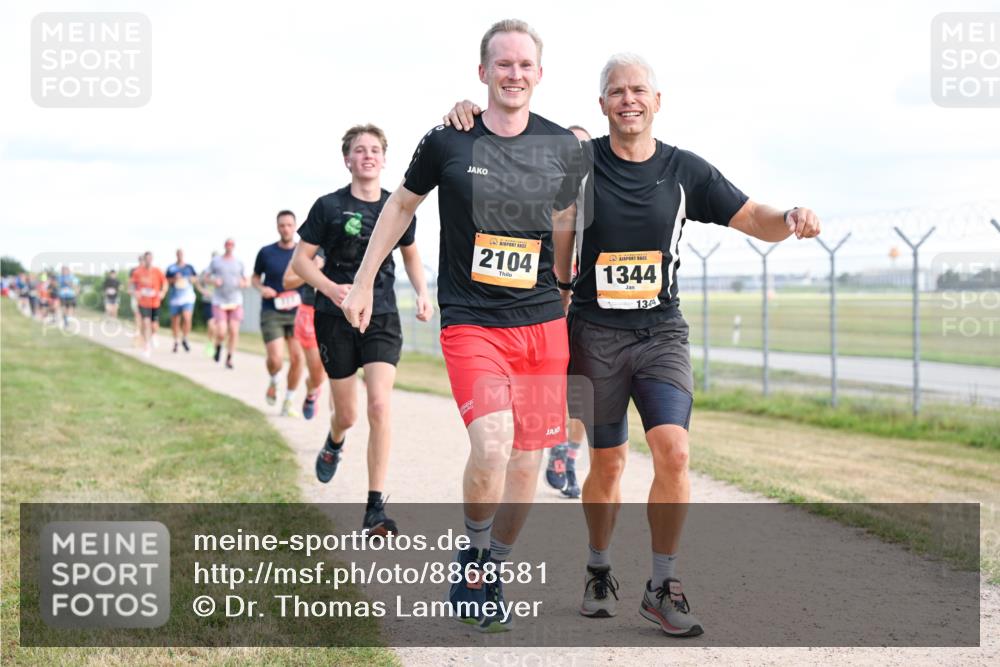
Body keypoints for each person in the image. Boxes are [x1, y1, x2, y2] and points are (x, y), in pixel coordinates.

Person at [444, 53, 822, 636]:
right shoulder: (578, 161)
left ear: (657, 101)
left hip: (661, 333)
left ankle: (662, 585)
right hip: (595, 333)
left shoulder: (684, 170)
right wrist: (469, 115)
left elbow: (752, 217)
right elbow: (512, 146)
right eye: (617, 91)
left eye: (639, 90)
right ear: (602, 104)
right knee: (610, 461)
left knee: (674, 452)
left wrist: (790, 215)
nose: (629, 100)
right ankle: (598, 569)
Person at [340, 20, 583, 633]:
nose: (513, 74)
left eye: (524, 65)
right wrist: (365, 281)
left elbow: (564, 222)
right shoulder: (449, 139)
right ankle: (474, 555)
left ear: (540, 74)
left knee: (526, 463)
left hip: (542, 324)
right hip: (472, 321)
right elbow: (400, 205)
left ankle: (489, 568)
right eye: (502, 64)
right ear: (482, 72)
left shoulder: (562, 146)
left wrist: (567, 290)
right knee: (493, 445)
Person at [291, 123, 432, 537]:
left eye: (374, 150)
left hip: (382, 314)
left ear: (384, 160)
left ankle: (375, 507)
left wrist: (423, 293)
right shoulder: (328, 206)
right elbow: (300, 262)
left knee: (379, 406)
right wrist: (331, 288)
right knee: (349, 415)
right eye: (359, 149)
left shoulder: (397, 206)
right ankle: (335, 440)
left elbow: (410, 255)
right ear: (347, 160)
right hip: (334, 317)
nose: (368, 155)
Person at [545, 124, 593, 500]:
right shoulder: (540, 193)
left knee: (580, 389)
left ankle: (569, 457)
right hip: (544, 301)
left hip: (584, 303)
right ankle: (553, 441)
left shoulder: (601, 196)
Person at [253, 211, 306, 417]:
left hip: (297, 312)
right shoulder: (266, 252)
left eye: (289, 225)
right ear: (277, 227)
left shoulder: (303, 253)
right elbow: (255, 278)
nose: (286, 229)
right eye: (282, 225)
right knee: (275, 359)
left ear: (295, 227)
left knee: (298, 358)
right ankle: (275, 380)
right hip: (272, 310)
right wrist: (261, 288)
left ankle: (289, 401)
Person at [282, 248, 327, 420]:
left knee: (330, 370)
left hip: (340, 310)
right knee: (317, 373)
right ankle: (312, 390)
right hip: (310, 311)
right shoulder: (309, 247)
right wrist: (310, 271)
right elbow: (287, 282)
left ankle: (338, 428)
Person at [208, 239, 247, 369]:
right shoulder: (216, 261)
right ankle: (218, 346)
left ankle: (229, 358)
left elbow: (247, 281)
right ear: (224, 246)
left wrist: (243, 283)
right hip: (220, 301)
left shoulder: (239, 262)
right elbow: (206, 277)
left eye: (231, 245)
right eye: (227, 244)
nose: (229, 247)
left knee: (234, 331)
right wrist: (214, 281)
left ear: (234, 247)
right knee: (221, 331)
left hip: (235, 301)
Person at [130, 251, 168, 358]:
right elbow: (132, 285)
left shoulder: (157, 271)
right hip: (143, 302)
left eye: (150, 259)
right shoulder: (137, 272)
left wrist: (163, 292)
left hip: (155, 302)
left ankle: (154, 334)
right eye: (146, 259)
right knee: (145, 323)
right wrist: (135, 292)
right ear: (144, 259)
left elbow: (165, 283)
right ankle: (146, 346)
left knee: (154, 325)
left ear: (152, 259)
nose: (148, 261)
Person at [165, 249, 198, 353]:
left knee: (187, 318)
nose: (180, 255)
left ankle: (185, 338)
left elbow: (195, 278)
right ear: (176, 255)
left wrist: (190, 279)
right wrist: (174, 279)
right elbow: (166, 281)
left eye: (181, 254)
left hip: (187, 297)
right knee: (175, 321)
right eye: (178, 254)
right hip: (175, 297)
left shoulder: (189, 267)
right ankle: (175, 341)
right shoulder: (171, 268)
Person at [196, 252, 219, 357]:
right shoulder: (206, 271)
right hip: (208, 301)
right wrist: (203, 291)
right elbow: (197, 283)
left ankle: (215, 344)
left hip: (219, 302)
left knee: (217, 327)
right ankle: (210, 343)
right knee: (211, 324)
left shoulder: (221, 272)